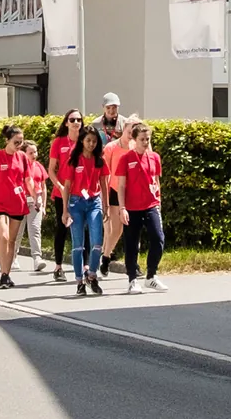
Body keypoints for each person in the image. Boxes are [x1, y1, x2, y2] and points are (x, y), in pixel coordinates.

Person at [0, 125, 34, 289]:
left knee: (11, 240)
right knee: (3, 236)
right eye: (16, 142)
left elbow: (28, 179)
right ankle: (3, 274)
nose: (19, 145)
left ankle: (6, 274)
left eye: (21, 142)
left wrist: (35, 196)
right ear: (7, 141)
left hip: (17, 202)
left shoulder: (23, 157)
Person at [117, 121, 167, 293]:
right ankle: (132, 279)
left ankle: (151, 276)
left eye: (148, 139)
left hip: (151, 204)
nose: (145, 142)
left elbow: (156, 181)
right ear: (134, 140)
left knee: (158, 238)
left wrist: (158, 201)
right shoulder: (125, 159)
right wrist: (122, 208)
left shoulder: (154, 157)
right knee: (131, 244)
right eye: (142, 139)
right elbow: (121, 186)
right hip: (132, 207)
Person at [62, 126, 108, 295]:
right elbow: (67, 186)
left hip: (94, 202)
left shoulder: (99, 160)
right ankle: (79, 281)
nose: (91, 144)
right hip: (76, 203)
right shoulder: (74, 160)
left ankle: (92, 275)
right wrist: (65, 210)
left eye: (94, 141)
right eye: (88, 140)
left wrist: (106, 206)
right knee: (78, 245)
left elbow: (104, 184)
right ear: (82, 140)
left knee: (97, 243)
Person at [47, 109, 84, 281]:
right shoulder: (59, 142)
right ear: (66, 123)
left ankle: (85, 266)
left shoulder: (85, 141)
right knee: (62, 228)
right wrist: (60, 186)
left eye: (79, 119)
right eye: (72, 119)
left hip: (81, 192)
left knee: (84, 228)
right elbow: (51, 170)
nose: (76, 122)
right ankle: (58, 266)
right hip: (62, 192)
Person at [99, 110, 136, 276]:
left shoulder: (137, 147)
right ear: (124, 128)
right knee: (117, 230)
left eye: (135, 132)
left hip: (132, 192)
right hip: (114, 190)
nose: (131, 135)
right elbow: (104, 173)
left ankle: (133, 264)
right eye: (130, 131)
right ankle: (106, 256)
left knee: (134, 229)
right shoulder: (111, 147)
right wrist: (105, 197)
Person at [21, 140, 49, 272]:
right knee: (17, 232)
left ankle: (37, 258)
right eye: (31, 153)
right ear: (24, 154)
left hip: (36, 202)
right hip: (20, 201)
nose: (34, 155)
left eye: (35, 152)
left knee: (35, 230)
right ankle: (12, 257)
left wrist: (43, 205)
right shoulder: (19, 166)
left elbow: (43, 187)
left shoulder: (39, 166)